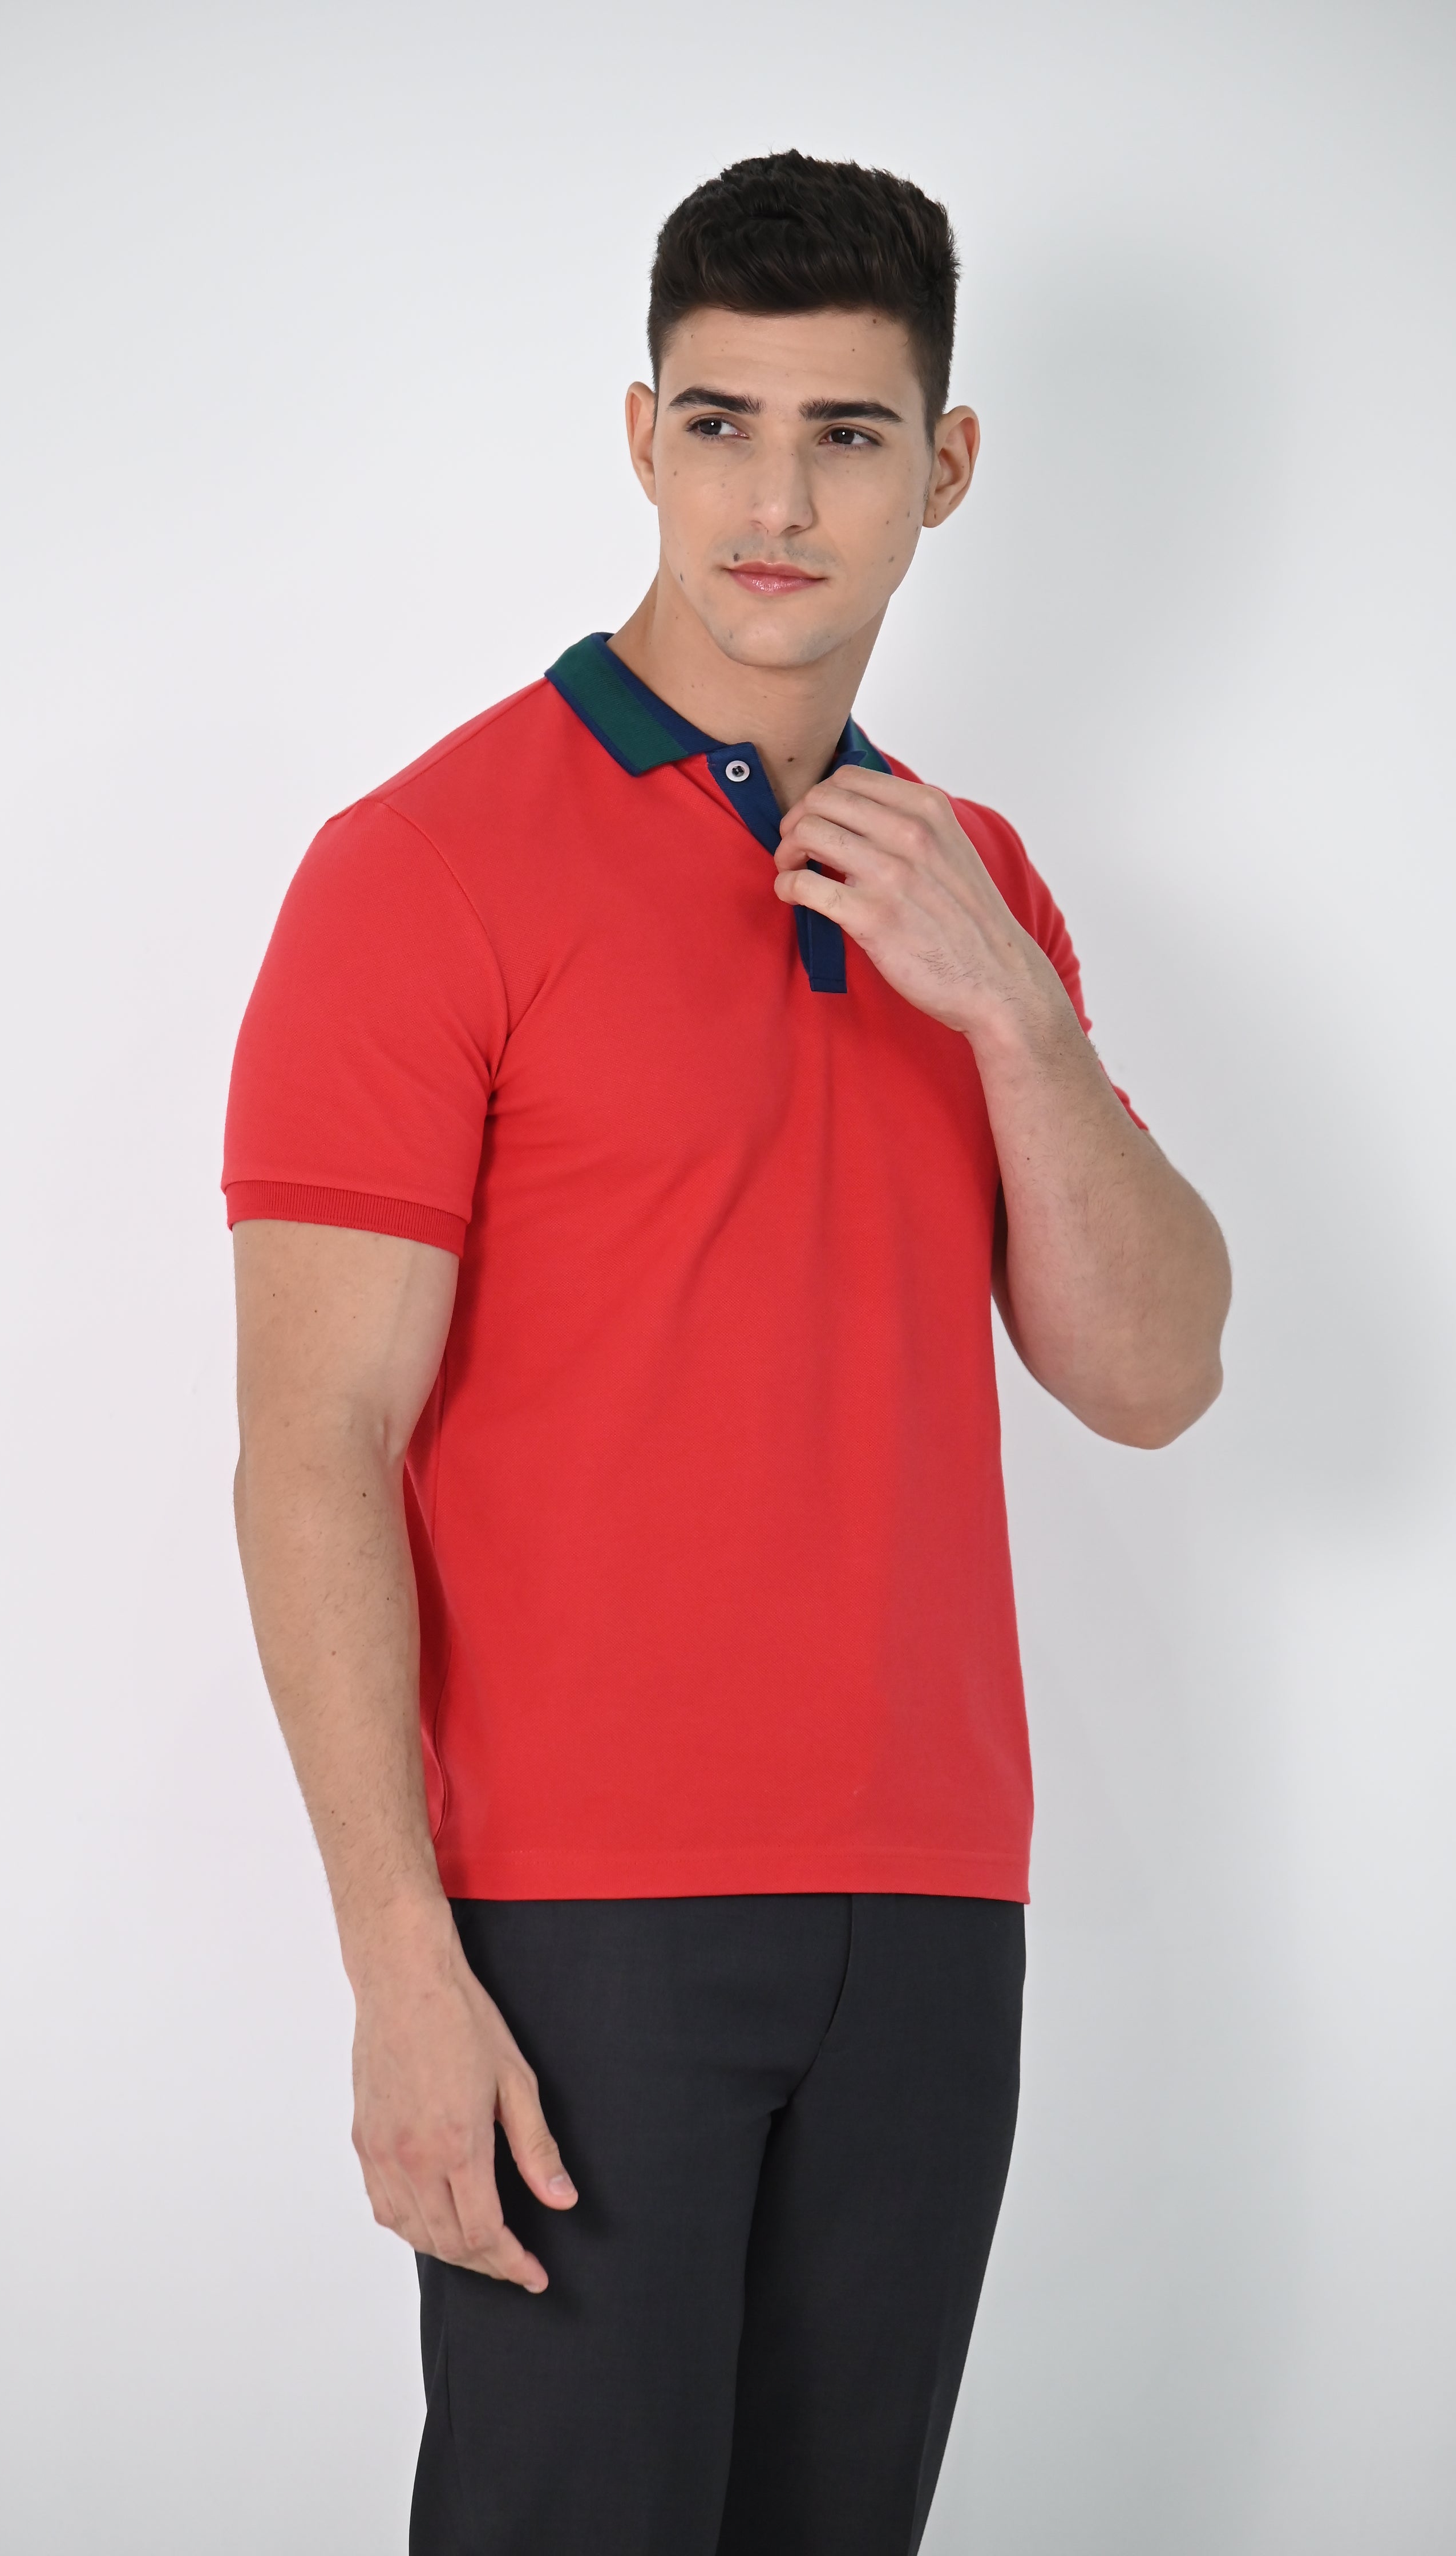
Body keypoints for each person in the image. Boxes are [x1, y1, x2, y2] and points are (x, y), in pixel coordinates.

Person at [224, 150, 1230, 2556]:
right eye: (720, 424)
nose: (775, 500)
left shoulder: (971, 879)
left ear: (942, 468)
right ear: (641, 437)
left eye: (846, 435)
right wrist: (398, 1959)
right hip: (575, 1920)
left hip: (932, 1907)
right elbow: (311, 1442)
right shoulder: (423, 864)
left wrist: (1011, 1011)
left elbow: (1154, 1372)